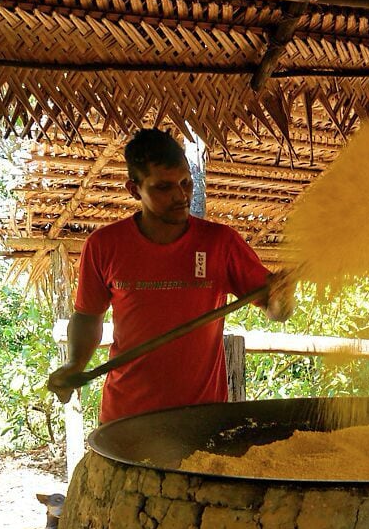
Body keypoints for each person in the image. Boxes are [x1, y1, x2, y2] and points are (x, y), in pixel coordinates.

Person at [47, 129, 294, 422]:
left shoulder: (220, 243)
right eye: (163, 187)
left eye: (186, 182)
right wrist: (76, 362)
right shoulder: (104, 245)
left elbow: (276, 310)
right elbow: (88, 316)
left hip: (202, 419)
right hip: (127, 419)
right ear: (134, 189)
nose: (180, 196)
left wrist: (282, 297)